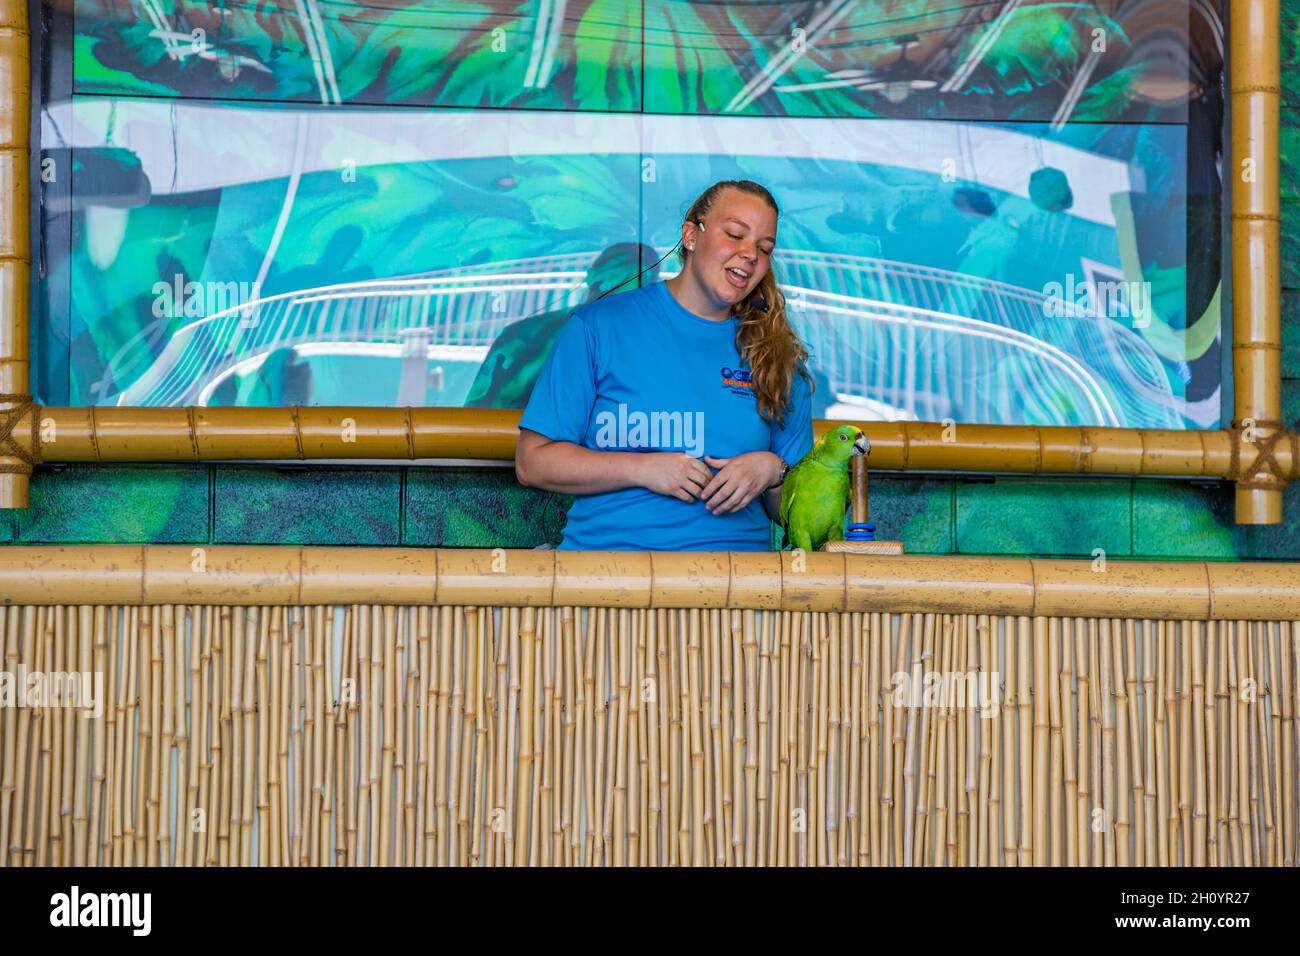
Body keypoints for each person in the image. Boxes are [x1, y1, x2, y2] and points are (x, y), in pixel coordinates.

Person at [515, 179, 814, 551]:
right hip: (606, 576)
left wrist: (773, 471)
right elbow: (532, 463)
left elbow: (797, 515)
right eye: (735, 234)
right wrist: (642, 469)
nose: (750, 254)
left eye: (764, 247)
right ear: (691, 235)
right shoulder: (598, 327)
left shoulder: (777, 356)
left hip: (736, 587)